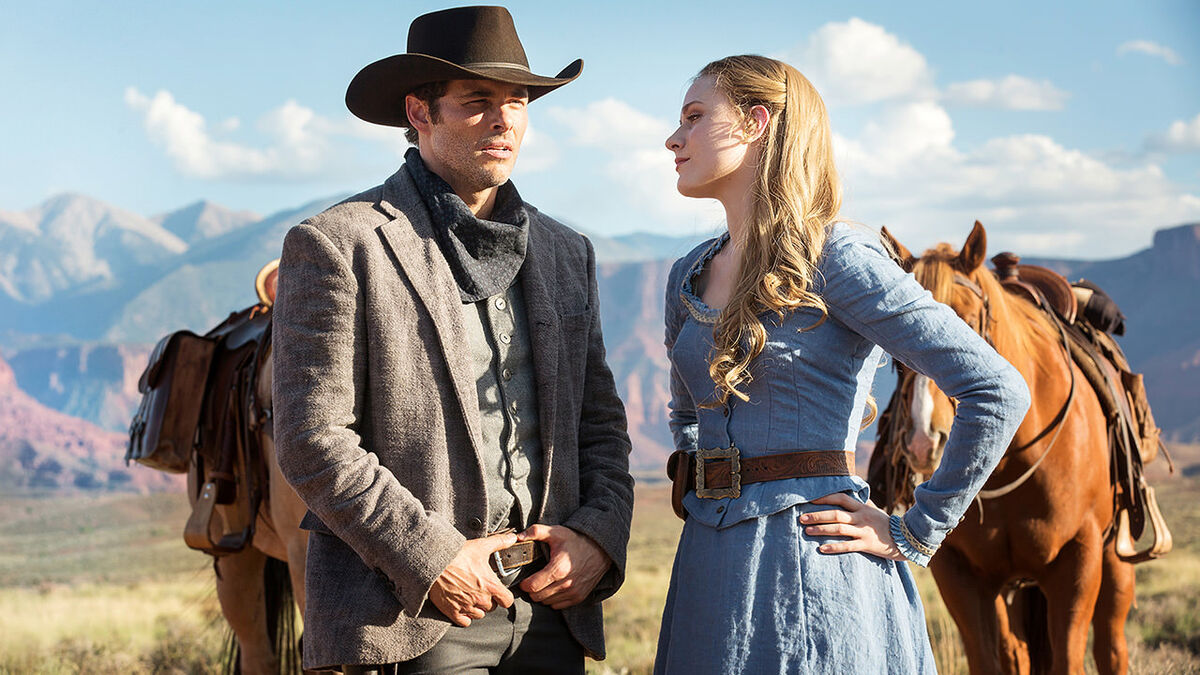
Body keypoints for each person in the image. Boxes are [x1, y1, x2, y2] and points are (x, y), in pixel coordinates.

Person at [271, 6, 634, 673]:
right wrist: (431, 556)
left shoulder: (565, 252)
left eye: (518, 102)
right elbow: (312, 436)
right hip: (410, 614)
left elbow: (600, 423)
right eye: (478, 102)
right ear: (420, 112)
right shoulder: (339, 244)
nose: (504, 121)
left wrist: (599, 537)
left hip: (550, 606)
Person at [656, 55, 1031, 673]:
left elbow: (996, 388)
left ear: (756, 123)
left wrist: (916, 530)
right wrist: (708, 491)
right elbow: (685, 412)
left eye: (695, 117)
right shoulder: (687, 274)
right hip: (708, 562)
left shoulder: (839, 259)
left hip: (814, 560)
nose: (675, 138)